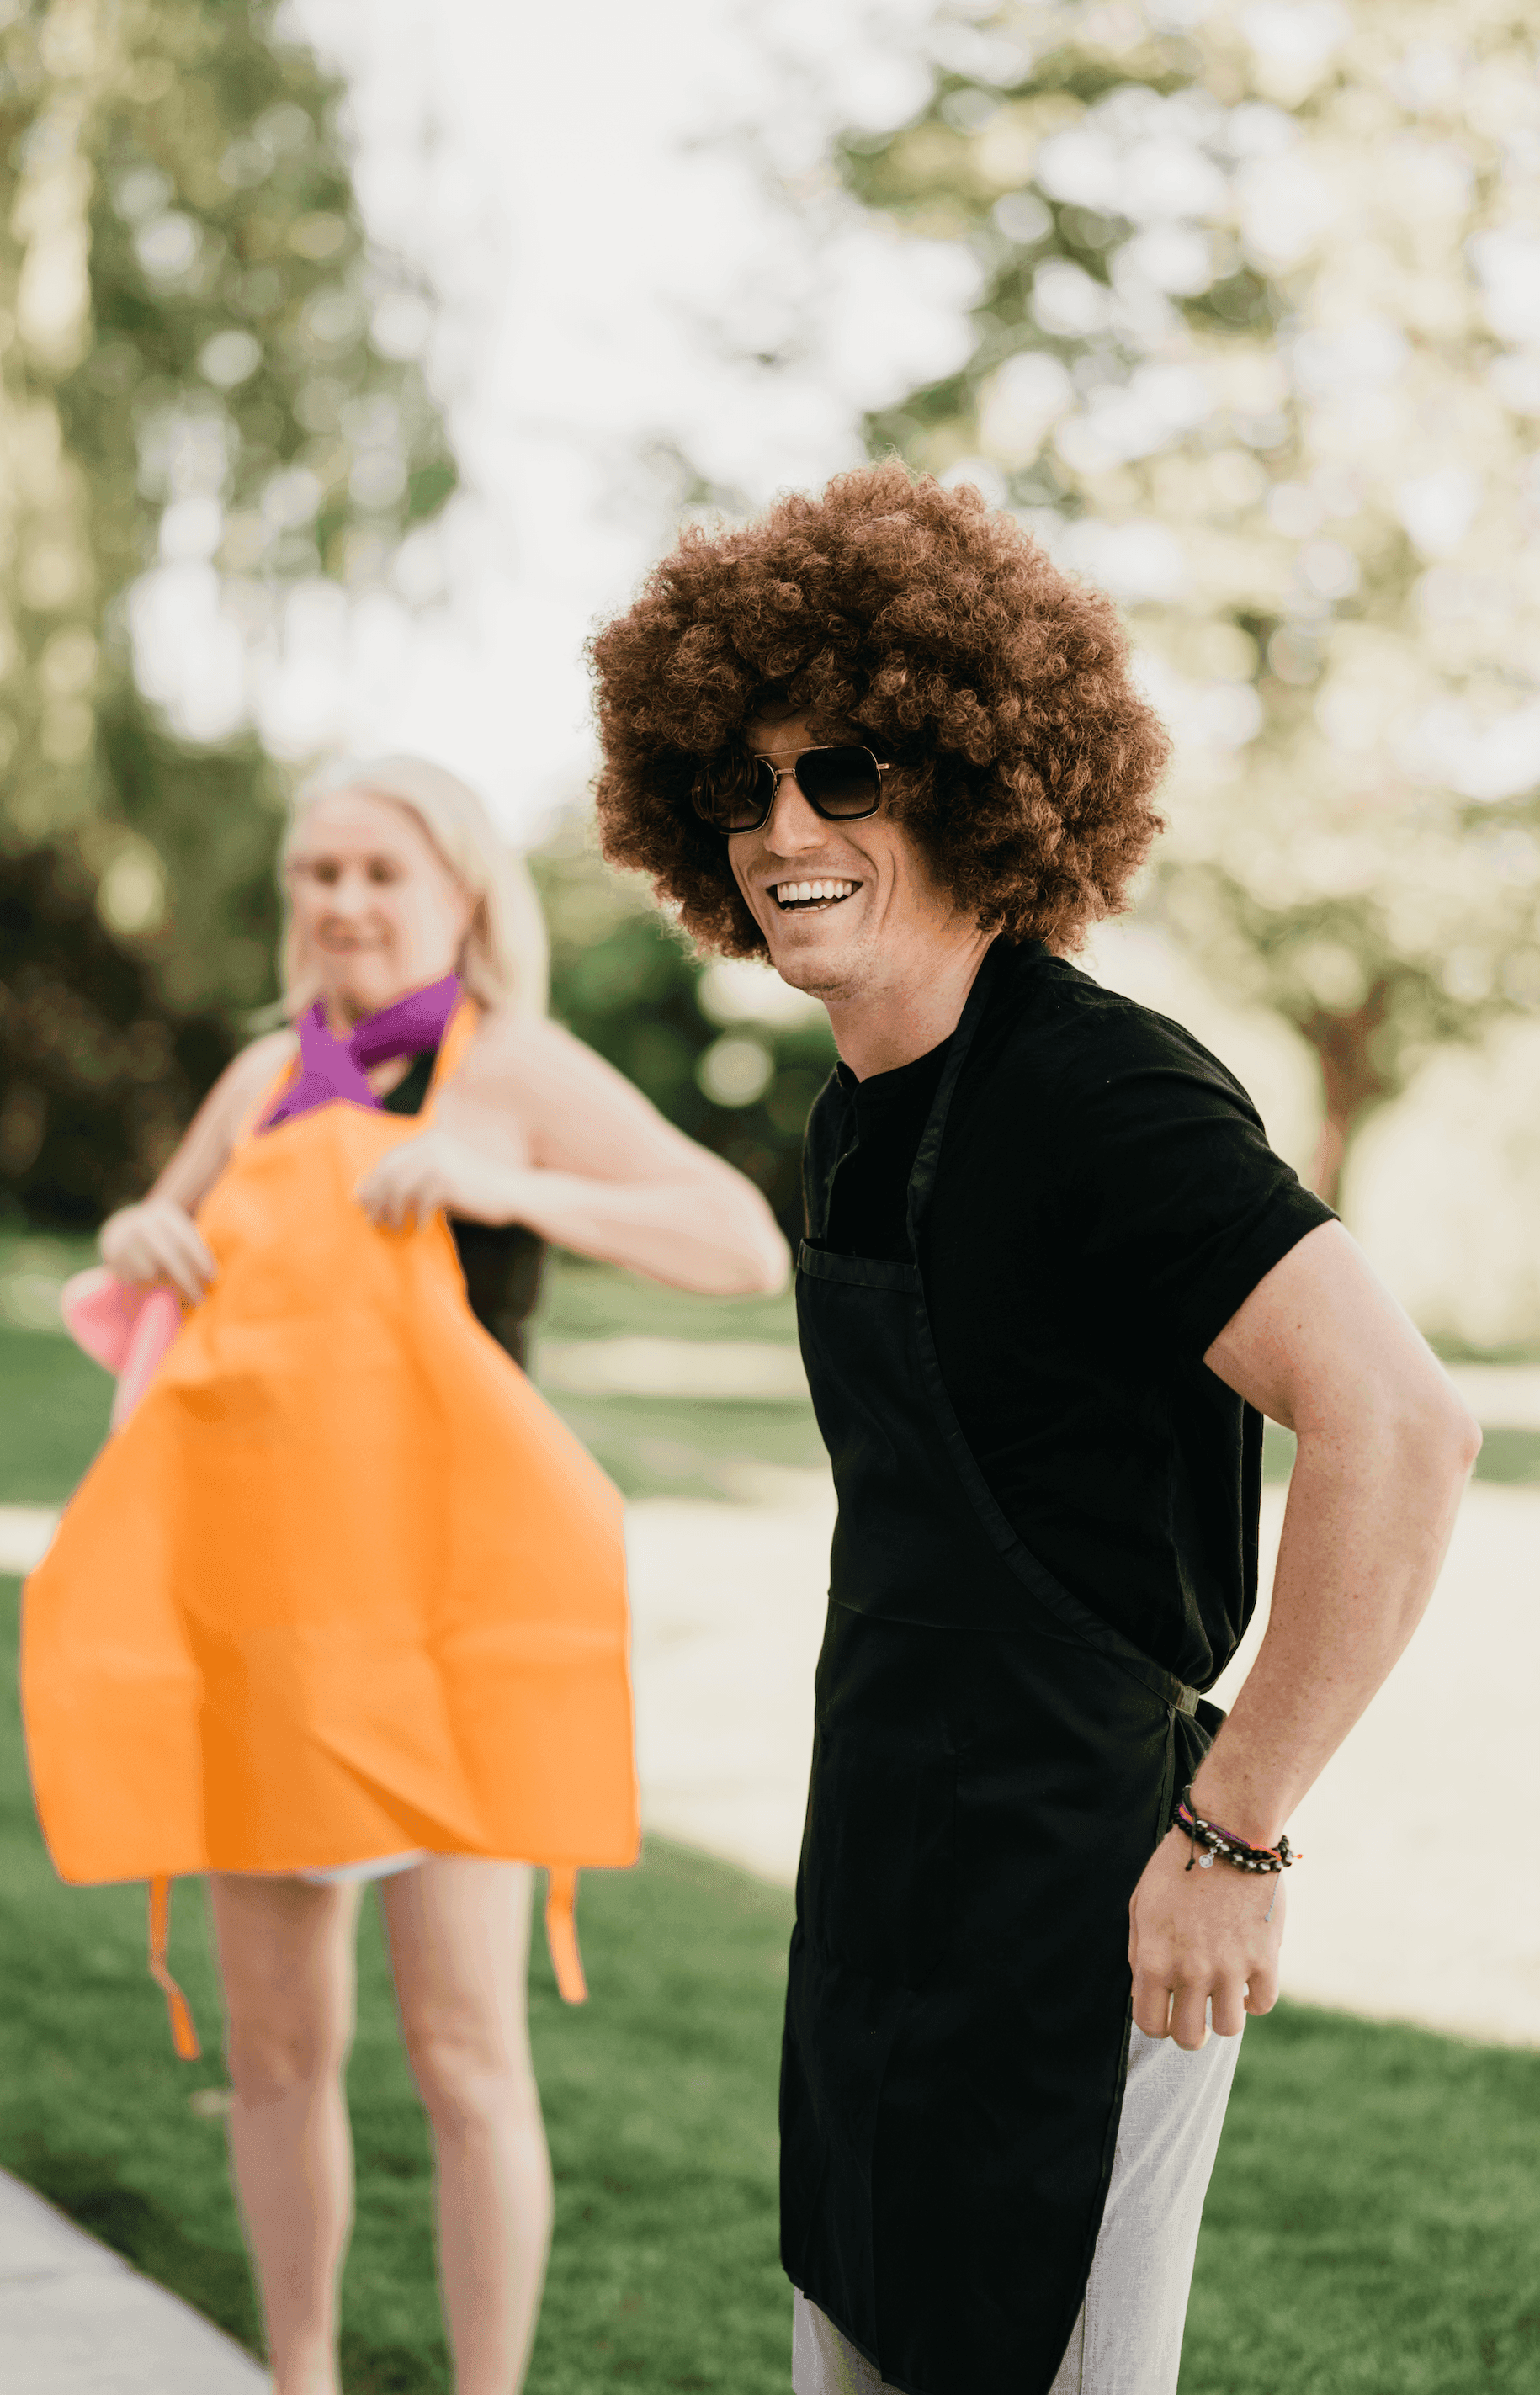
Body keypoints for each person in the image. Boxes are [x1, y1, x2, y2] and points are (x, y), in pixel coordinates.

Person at [588, 465, 1480, 2395]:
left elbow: (1402, 1427)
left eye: (839, 772)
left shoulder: (1101, 1097)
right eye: (736, 790)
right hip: (880, 1865)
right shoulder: (851, 1112)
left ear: (974, 776)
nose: (780, 830)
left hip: (1095, 1892)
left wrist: (1231, 1840)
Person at [24, 752, 788, 2395]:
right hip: (261, 1615)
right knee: (281, 2052)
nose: (346, 904)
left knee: (465, 2054)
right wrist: (137, 1240)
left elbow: (739, 1240)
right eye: (318, 874)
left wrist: (505, 1182)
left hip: (453, 1617)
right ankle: (296, 2374)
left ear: (457, 892)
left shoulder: (513, 1064)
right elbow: (148, 1247)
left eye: (381, 872)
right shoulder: (256, 1079)